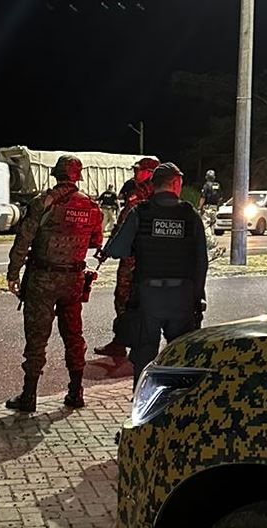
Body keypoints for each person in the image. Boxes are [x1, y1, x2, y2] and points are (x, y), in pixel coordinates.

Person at [4, 155, 103, 412]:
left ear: (56, 174)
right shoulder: (91, 206)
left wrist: (13, 273)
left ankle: (29, 396)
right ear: (77, 176)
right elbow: (95, 241)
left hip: (43, 279)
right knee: (74, 334)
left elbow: (22, 242)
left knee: (37, 338)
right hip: (74, 280)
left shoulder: (42, 203)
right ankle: (75, 391)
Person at [103, 162, 207, 384]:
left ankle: (142, 410)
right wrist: (196, 297)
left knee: (143, 361)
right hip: (182, 299)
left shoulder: (140, 212)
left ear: (154, 185)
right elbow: (201, 263)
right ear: (176, 183)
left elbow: (116, 249)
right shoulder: (190, 215)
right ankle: (176, 409)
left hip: (148, 298)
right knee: (181, 358)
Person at [93, 156, 159, 360]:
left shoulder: (152, 195)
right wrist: (108, 248)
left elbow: (126, 224)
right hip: (132, 255)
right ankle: (121, 342)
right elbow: (121, 223)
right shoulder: (136, 192)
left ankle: (138, 346)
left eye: (139, 170)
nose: (135, 173)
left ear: (150, 172)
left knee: (131, 299)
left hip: (140, 257)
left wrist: (110, 248)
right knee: (123, 298)